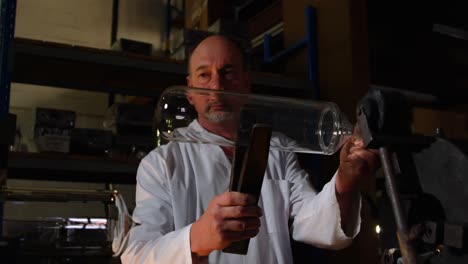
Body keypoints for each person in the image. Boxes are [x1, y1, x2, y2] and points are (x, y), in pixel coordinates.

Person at [121, 35, 379, 264]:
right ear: (189, 91)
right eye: (204, 74)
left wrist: (345, 179)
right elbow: (137, 255)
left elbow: (313, 223)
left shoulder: (275, 149)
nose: (216, 86)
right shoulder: (161, 165)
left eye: (228, 72)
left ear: (246, 83)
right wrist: (197, 238)